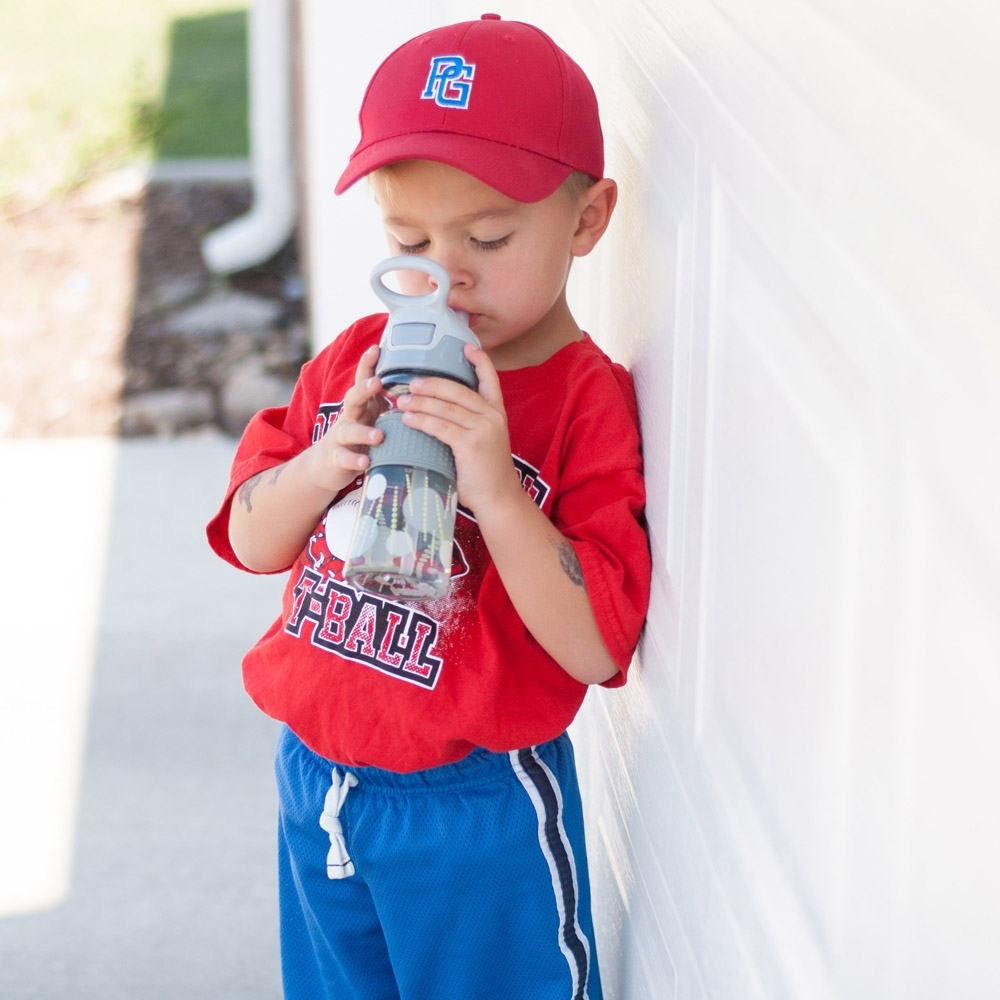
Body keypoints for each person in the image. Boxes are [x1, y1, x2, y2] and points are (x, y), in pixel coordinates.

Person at [207, 14, 650, 1000]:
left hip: (474, 806)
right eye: (408, 238)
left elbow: (594, 647)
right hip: (316, 778)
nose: (444, 275)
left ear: (585, 221)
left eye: (488, 238)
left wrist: (492, 482)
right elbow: (247, 535)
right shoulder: (359, 357)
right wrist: (329, 462)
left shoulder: (585, 403)